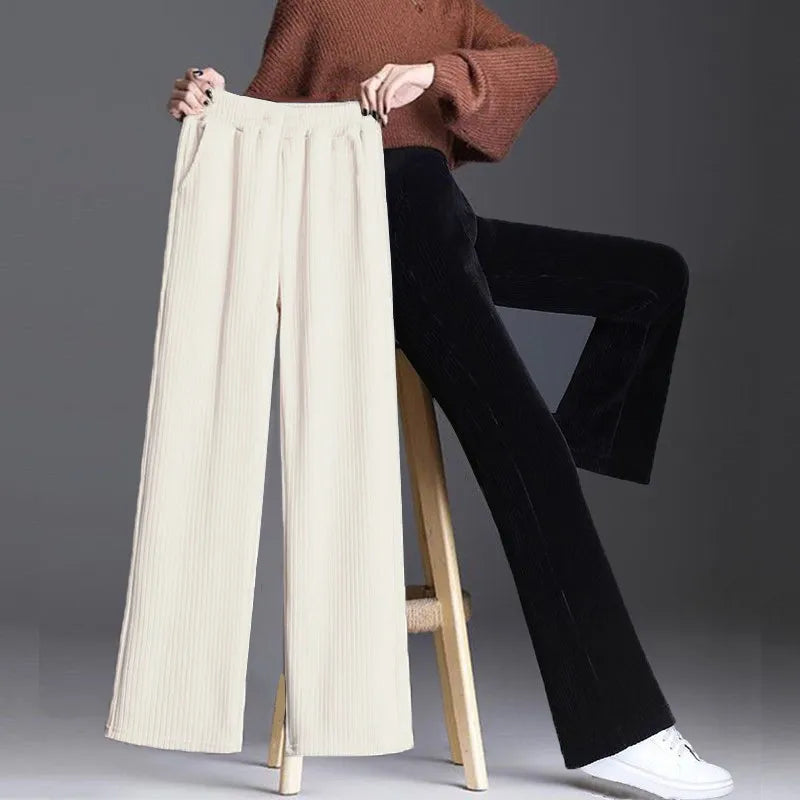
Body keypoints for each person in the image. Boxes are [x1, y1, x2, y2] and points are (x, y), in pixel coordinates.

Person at [165, 1, 733, 797]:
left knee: (653, 280)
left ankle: (561, 455)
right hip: (374, 216)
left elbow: (538, 63)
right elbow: (261, 123)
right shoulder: (313, 4)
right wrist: (208, 101)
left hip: (439, 221)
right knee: (523, 449)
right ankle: (621, 731)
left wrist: (436, 73)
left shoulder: (452, 7)